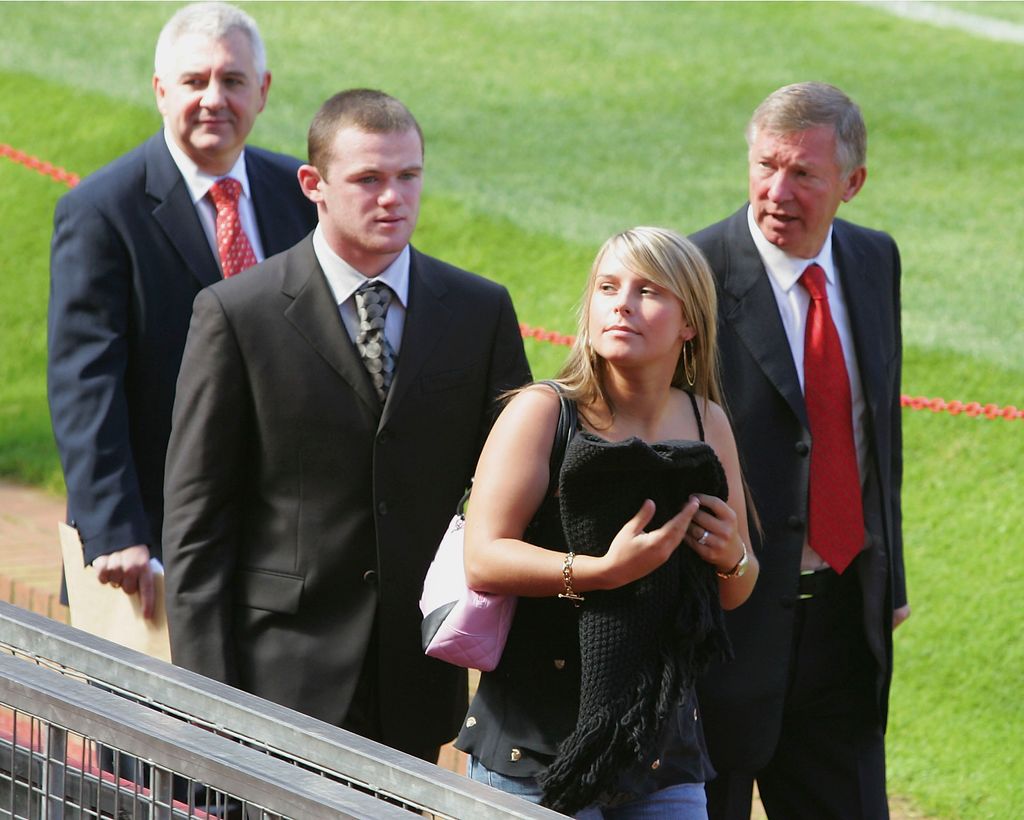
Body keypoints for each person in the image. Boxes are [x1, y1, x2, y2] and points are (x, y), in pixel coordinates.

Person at [162, 88, 532, 762]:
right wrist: (206, 697)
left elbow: (523, 486)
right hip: (278, 676)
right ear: (314, 184)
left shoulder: (479, 312)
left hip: (417, 677)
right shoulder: (237, 316)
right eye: (368, 179)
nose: (392, 197)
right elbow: (197, 525)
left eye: (408, 177)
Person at [455, 227, 759, 818]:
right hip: (533, 748)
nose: (622, 303)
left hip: (661, 748)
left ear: (689, 323)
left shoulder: (707, 424)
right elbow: (483, 557)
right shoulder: (542, 413)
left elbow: (739, 588)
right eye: (607, 287)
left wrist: (732, 558)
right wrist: (601, 572)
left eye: (649, 291)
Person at [47, 1, 316, 619]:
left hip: (282, 538)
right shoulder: (101, 211)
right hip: (153, 539)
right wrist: (112, 527)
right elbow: (85, 383)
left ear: (264, 91)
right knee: (141, 715)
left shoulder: (301, 196)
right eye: (195, 81)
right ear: (162, 90)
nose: (214, 99)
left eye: (233, 80)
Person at [689, 82, 909, 819]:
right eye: (765, 166)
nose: (777, 191)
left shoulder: (875, 261)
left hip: (844, 624)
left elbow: (878, 433)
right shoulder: (694, 275)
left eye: (804, 174)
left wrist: (891, 576)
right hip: (723, 627)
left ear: (852, 183)